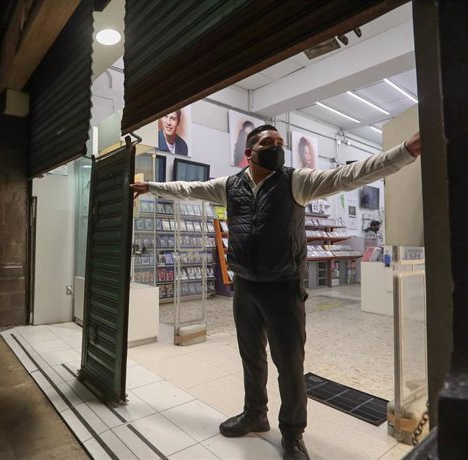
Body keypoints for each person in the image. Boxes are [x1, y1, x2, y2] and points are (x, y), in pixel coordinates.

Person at [131, 125, 421, 460]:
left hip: (284, 287)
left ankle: (293, 433)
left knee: (290, 366)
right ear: (250, 152)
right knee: (251, 357)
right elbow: (189, 189)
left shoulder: (295, 181)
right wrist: (149, 186)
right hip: (246, 286)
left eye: (280, 143)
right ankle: (255, 414)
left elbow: (350, 175)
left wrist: (405, 151)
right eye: (269, 143)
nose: (277, 148)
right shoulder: (230, 186)